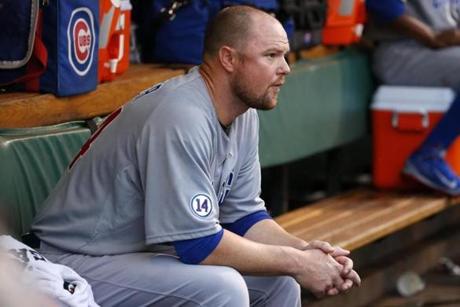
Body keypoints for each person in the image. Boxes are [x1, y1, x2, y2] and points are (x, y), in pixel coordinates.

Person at [31, 6, 360, 306]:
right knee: (223, 286)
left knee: (281, 283)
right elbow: (197, 245)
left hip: (139, 257)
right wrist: (298, 262)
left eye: (284, 55)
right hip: (74, 260)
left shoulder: (243, 113)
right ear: (228, 59)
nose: (285, 68)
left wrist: (307, 252)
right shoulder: (181, 114)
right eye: (271, 55)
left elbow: (244, 216)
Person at [365, 0, 460, 195]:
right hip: (402, 50)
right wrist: (430, 36)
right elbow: (380, 4)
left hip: (444, 50)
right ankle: (429, 155)